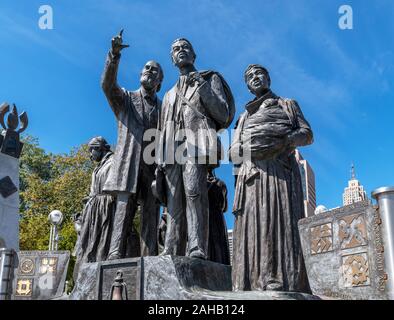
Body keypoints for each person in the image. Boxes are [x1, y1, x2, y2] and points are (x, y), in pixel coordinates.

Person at [229, 64, 313, 292]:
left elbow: (306, 134)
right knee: (253, 228)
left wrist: (283, 141)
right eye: (250, 77)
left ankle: (280, 279)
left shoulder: (287, 105)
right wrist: (253, 146)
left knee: (276, 222)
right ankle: (249, 283)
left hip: (279, 173)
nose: (255, 78)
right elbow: (233, 151)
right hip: (252, 176)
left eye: (259, 74)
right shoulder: (244, 117)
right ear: (247, 86)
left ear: (268, 78)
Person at [154, 38, 235, 259]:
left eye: (185, 47)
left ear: (194, 55)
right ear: (172, 59)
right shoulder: (169, 95)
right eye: (175, 49)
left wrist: (202, 85)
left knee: (194, 193)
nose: (180, 51)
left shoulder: (210, 78)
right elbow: (162, 130)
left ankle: (196, 246)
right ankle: (170, 247)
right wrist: (160, 160)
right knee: (173, 203)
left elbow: (223, 114)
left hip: (195, 145)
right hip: (171, 152)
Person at [101, 30, 164, 259]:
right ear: (140, 74)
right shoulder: (126, 98)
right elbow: (107, 85)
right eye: (146, 68)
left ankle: (150, 257)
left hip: (153, 167)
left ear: (159, 82)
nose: (149, 71)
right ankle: (115, 254)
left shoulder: (164, 108)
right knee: (123, 210)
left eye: (154, 70)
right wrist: (114, 56)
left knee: (151, 213)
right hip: (128, 164)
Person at [77, 136, 115, 264]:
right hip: (94, 209)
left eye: (91, 150)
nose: (90, 155)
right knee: (87, 245)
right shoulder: (97, 168)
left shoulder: (114, 162)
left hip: (106, 208)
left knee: (102, 242)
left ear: (99, 148)